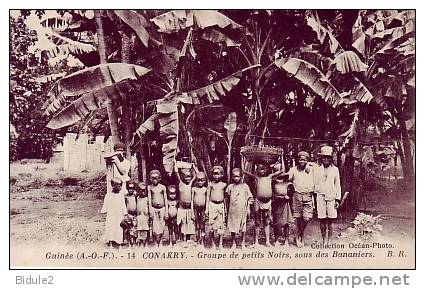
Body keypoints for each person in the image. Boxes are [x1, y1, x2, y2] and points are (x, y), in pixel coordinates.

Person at [244, 163, 285, 247]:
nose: (261, 171)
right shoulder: (256, 178)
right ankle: (256, 242)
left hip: (267, 202)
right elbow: (244, 170)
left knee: (267, 222)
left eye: (263, 169)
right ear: (257, 170)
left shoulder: (270, 177)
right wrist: (242, 157)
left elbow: (282, 170)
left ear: (266, 170)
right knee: (257, 222)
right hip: (258, 202)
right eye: (259, 169)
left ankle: (267, 241)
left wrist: (281, 157)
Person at [314, 146, 342, 245]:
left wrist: (338, 199)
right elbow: (314, 183)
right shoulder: (317, 169)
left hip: (331, 197)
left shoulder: (335, 170)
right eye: (324, 157)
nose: (326, 159)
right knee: (322, 219)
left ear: (331, 158)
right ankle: (324, 240)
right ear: (321, 158)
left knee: (330, 220)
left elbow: (337, 184)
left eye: (328, 157)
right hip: (320, 197)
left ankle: (329, 240)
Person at [288, 151, 314, 248]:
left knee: (307, 218)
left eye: (304, 159)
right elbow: (288, 179)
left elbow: (320, 164)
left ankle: (299, 234)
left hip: (308, 196)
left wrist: (310, 164)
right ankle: (300, 237)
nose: (302, 161)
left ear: (307, 160)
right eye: (300, 159)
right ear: (297, 160)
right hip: (297, 195)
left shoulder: (311, 169)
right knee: (298, 218)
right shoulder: (293, 170)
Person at [226, 168, 253, 249]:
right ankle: (234, 243)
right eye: (234, 176)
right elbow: (227, 199)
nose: (236, 178)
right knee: (232, 226)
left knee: (243, 227)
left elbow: (250, 198)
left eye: (238, 176)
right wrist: (226, 210)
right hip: (232, 210)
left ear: (241, 177)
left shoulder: (245, 186)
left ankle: (243, 243)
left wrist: (248, 208)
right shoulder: (230, 187)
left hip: (242, 210)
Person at [101, 177, 127, 248]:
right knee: (111, 228)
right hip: (111, 216)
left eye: (120, 185)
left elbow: (123, 206)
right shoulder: (108, 196)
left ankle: (118, 244)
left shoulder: (121, 195)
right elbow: (105, 207)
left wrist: (125, 215)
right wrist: (105, 213)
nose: (120, 187)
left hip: (119, 216)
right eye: (118, 185)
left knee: (118, 229)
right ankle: (111, 243)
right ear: (113, 185)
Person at [271, 164, 294, 247]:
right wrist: (278, 197)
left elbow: (291, 192)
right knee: (276, 223)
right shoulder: (273, 184)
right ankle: (276, 240)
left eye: (281, 176)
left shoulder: (288, 184)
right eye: (278, 176)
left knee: (286, 223)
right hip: (276, 204)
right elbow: (272, 194)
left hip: (285, 204)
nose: (280, 178)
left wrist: (288, 196)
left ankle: (286, 240)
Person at [206, 165, 227, 249]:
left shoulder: (223, 185)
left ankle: (220, 244)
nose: (216, 176)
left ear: (222, 175)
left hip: (220, 206)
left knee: (221, 225)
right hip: (212, 205)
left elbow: (225, 198)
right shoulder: (210, 184)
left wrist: (225, 208)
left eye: (218, 174)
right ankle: (213, 244)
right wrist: (207, 209)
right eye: (214, 174)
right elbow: (208, 197)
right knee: (211, 226)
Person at [175, 163, 196, 244]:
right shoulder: (180, 184)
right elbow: (176, 173)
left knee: (189, 224)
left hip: (189, 209)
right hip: (181, 209)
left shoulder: (190, 184)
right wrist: (175, 164)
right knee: (181, 223)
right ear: (182, 177)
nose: (188, 178)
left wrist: (193, 166)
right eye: (186, 176)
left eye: (189, 177)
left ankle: (188, 239)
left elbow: (196, 176)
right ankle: (181, 239)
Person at [147, 170, 168, 247]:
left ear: (159, 178)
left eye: (156, 178)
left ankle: (161, 241)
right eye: (153, 178)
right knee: (155, 226)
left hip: (162, 209)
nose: (155, 180)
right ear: (150, 179)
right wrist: (150, 209)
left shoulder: (162, 187)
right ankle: (156, 242)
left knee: (162, 225)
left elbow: (165, 199)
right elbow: (149, 199)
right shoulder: (149, 187)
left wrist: (166, 211)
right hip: (154, 208)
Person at [192, 172, 208, 245]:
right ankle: (197, 239)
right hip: (195, 209)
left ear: (204, 181)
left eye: (202, 180)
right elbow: (192, 200)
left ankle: (202, 241)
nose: (200, 182)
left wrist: (206, 210)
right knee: (196, 225)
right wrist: (192, 212)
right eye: (198, 180)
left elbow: (207, 200)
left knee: (202, 225)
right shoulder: (194, 189)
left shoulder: (205, 189)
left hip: (203, 209)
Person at [135, 182, 150, 247]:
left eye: (144, 190)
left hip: (145, 216)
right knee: (139, 230)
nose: (143, 192)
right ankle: (140, 243)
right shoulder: (137, 198)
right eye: (141, 190)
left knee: (146, 230)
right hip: (139, 216)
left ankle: (146, 243)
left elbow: (149, 206)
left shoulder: (147, 198)